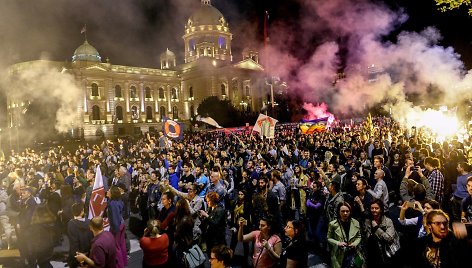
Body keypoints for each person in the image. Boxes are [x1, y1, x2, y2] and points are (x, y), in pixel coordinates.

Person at [364, 199, 399, 267]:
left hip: (386, 253)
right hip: (372, 253)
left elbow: (389, 238)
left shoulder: (388, 221)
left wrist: (377, 228)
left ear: (381, 209)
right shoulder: (367, 221)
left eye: (376, 208)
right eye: (372, 208)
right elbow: (365, 237)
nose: (374, 210)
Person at [327, 202, 362, 268]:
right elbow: (329, 238)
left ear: (350, 212)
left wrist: (355, 243)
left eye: (347, 211)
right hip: (339, 254)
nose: (345, 213)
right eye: (342, 211)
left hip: (353, 252)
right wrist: (338, 243)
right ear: (339, 212)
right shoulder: (333, 224)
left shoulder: (355, 222)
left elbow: (359, 236)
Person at [67, 203, 93, 268]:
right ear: (82, 212)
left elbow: (73, 242)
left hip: (76, 254)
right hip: (88, 252)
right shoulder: (89, 222)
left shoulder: (71, 224)